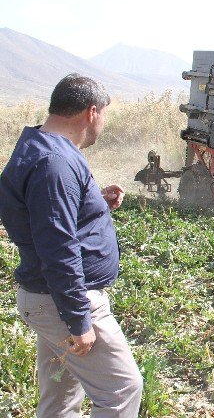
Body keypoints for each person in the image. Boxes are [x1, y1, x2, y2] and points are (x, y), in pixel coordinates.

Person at [0, 74, 143, 417]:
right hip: (62, 303)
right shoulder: (56, 163)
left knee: (61, 394)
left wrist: (94, 201)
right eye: (104, 117)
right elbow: (57, 247)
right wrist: (79, 319)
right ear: (91, 113)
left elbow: (49, 217)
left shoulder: (43, 147)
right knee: (121, 390)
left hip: (49, 299)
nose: (102, 125)